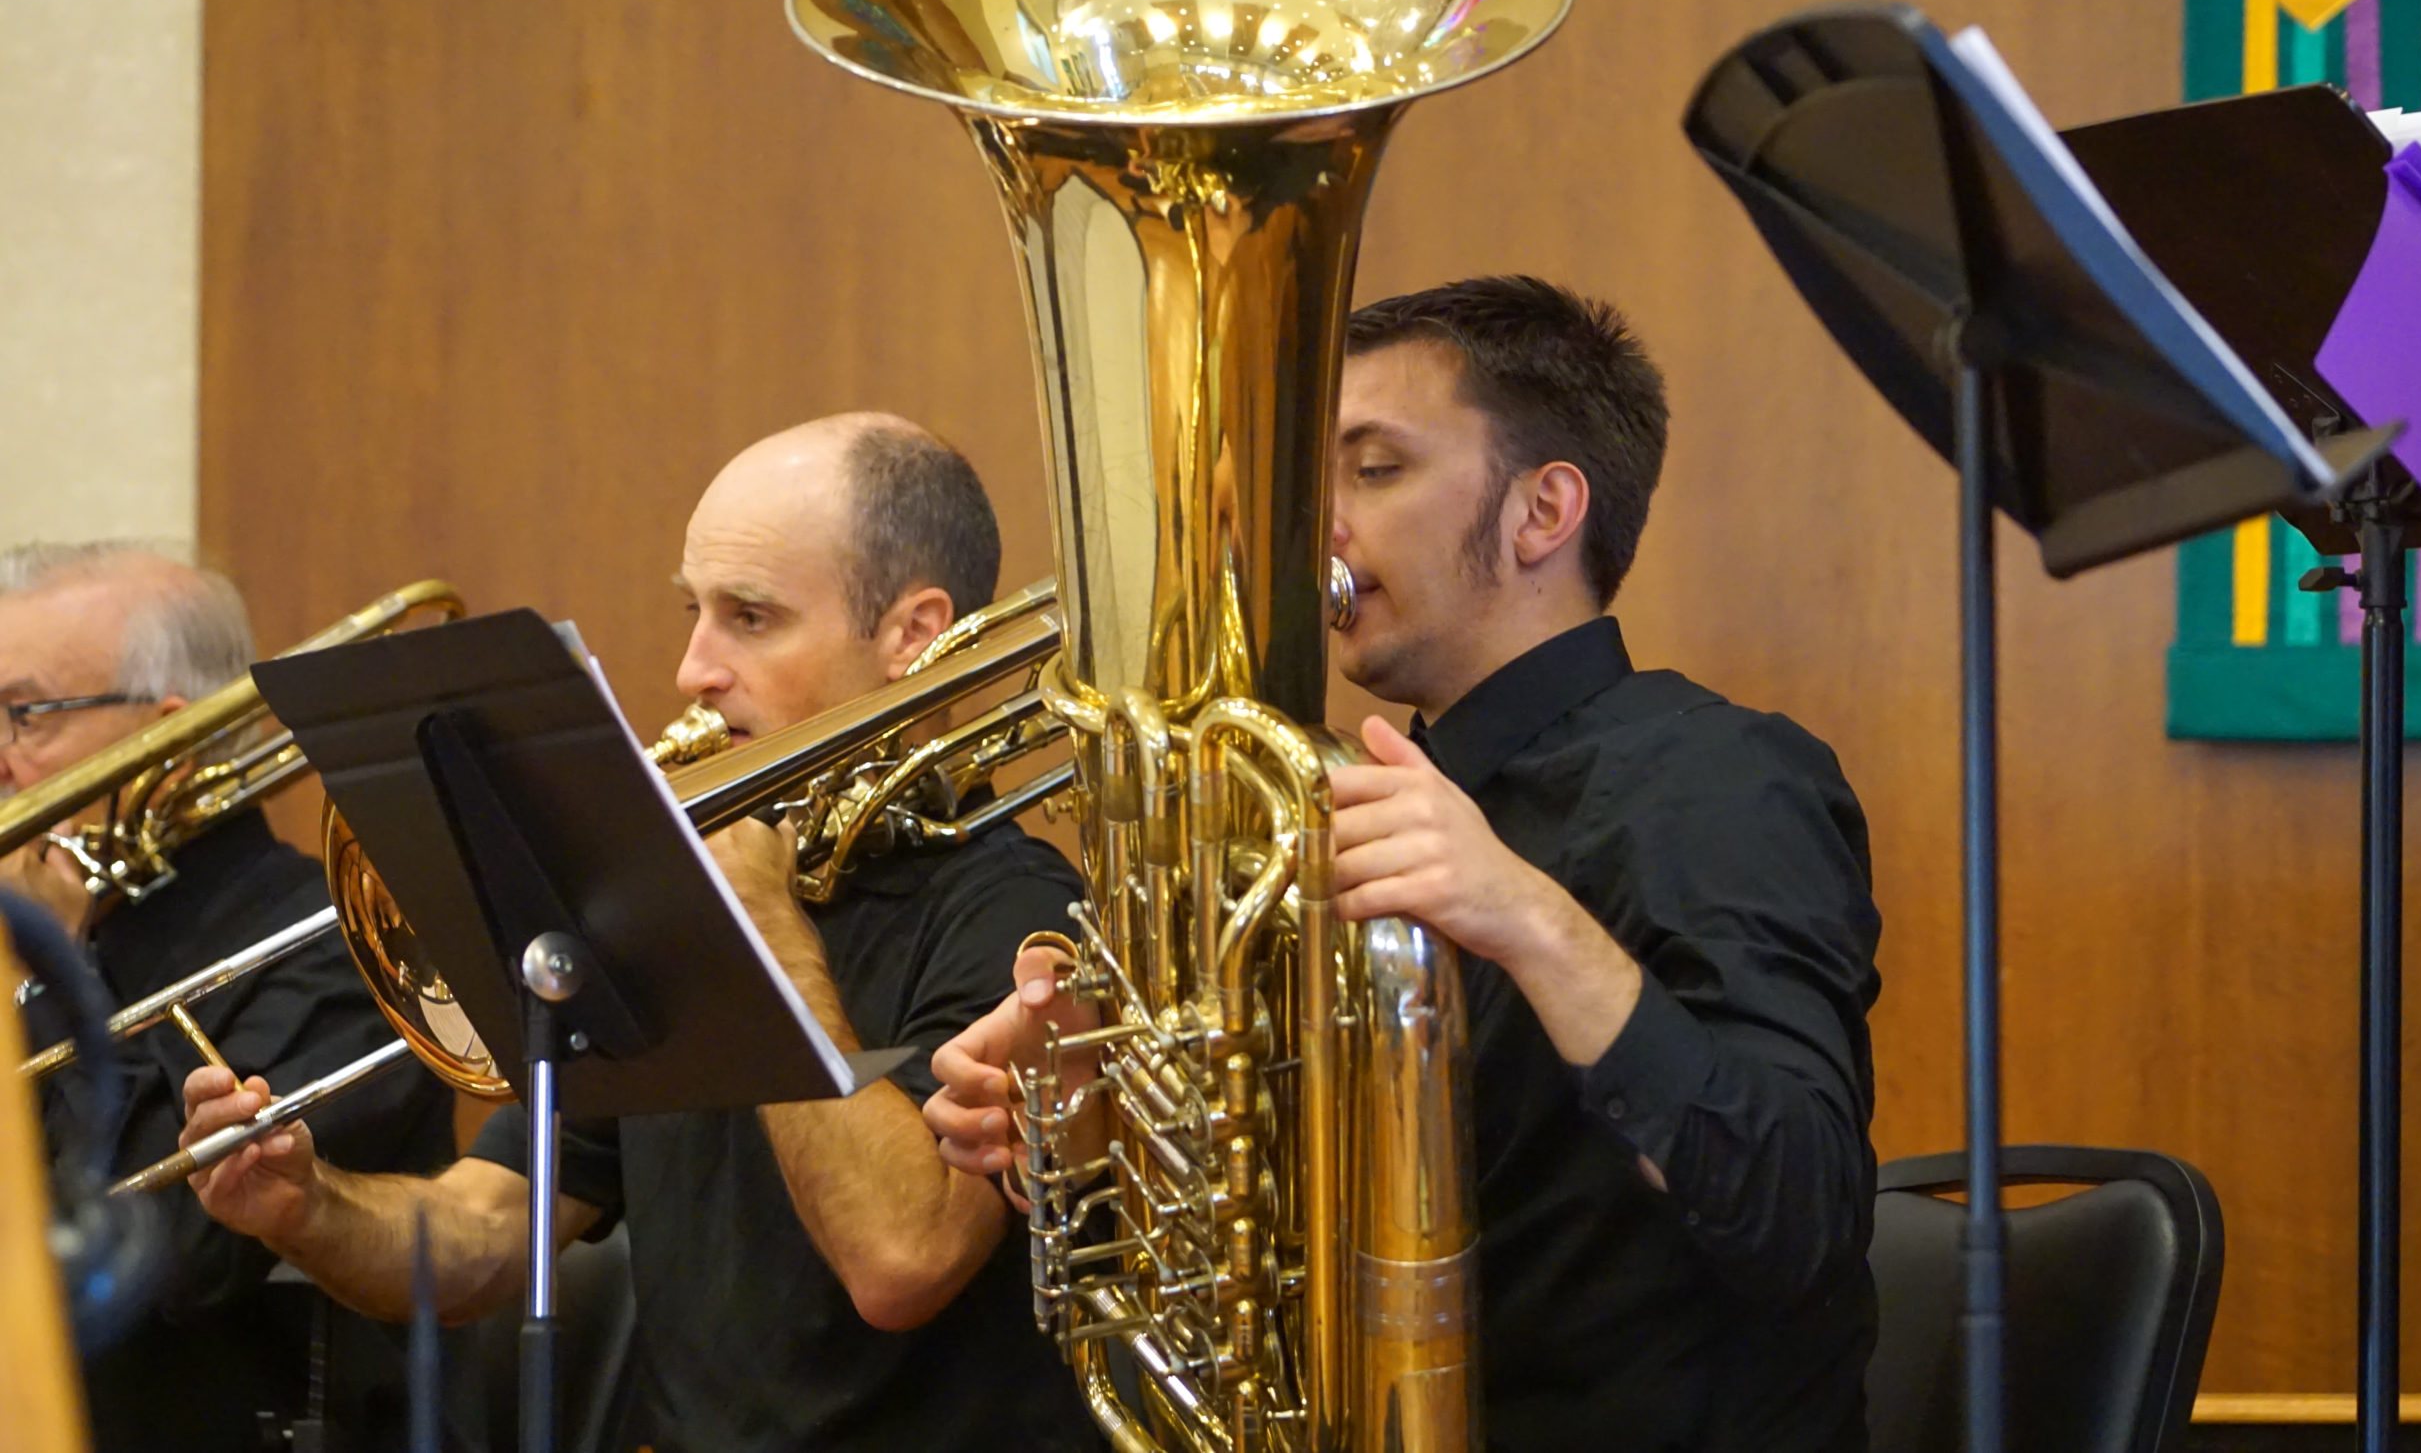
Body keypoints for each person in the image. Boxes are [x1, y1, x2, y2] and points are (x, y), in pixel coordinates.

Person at [927, 278, 1883, 1453]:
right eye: (1309, 482)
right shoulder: (1328, 814)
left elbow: (1801, 1213)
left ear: (1542, 513)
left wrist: (1527, 916)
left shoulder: (1721, 780)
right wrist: (1087, 1128)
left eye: (1372, 470)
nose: (1310, 524)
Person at [178, 414, 1097, 1453]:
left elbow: (901, 1258)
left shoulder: (1018, 910)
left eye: (750, 617)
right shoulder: (660, 914)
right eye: (693, 612)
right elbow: (492, 1232)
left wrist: (760, 926)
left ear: (913, 637)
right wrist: (305, 1204)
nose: (692, 669)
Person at [0, 541, 457, 1453]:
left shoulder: (340, 946)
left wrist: (54, 966)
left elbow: (162, 1259)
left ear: (166, 742)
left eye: (21, 715)